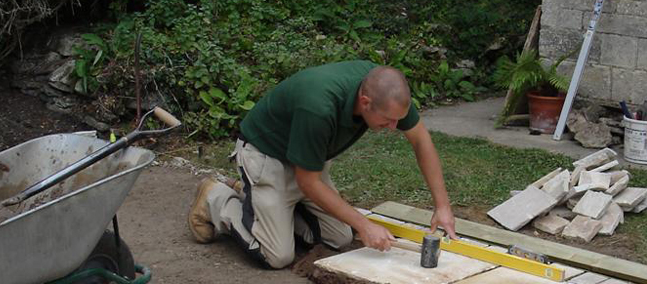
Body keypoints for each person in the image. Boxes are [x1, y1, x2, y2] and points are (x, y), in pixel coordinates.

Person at [187, 60, 457, 269]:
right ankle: (218, 197)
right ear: (365, 102)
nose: (394, 127)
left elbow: (421, 140)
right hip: (266, 155)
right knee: (277, 255)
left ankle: (261, 203)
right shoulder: (319, 107)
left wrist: (442, 206)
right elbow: (308, 183)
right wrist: (363, 224)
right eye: (388, 121)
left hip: (307, 160)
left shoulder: (388, 93)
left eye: (398, 120)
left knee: (338, 237)